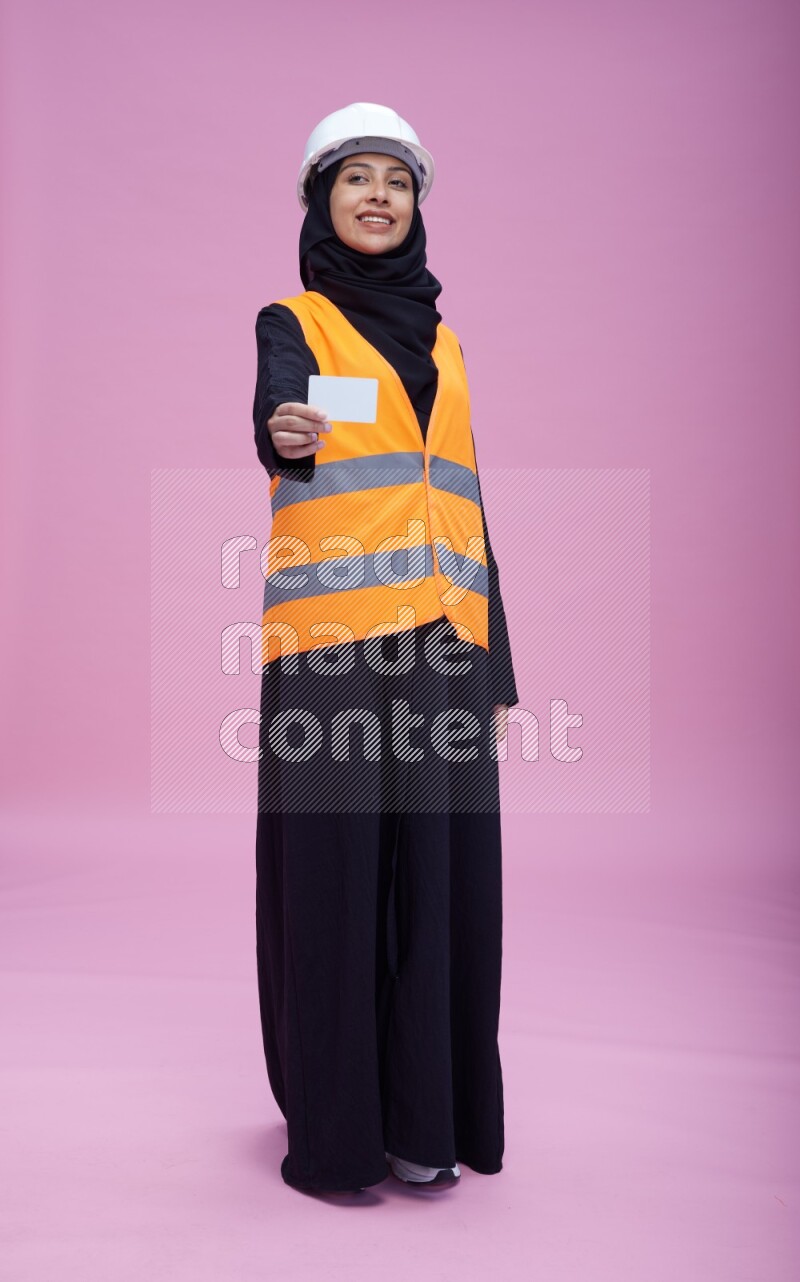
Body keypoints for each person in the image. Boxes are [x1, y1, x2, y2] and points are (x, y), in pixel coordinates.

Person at [251, 103, 519, 1195]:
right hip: (330, 649)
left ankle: (425, 1124)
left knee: (447, 882)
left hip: (446, 644)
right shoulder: (293, 320)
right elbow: (276, 409)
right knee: (335, 881)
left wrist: (499, 664)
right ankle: (337, 1135)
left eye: (396, 182)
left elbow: (465, 501)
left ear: (414, 206)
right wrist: (280, 430)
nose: (376, 197)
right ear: (321, 199)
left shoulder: (448, 342)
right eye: (355, 178)